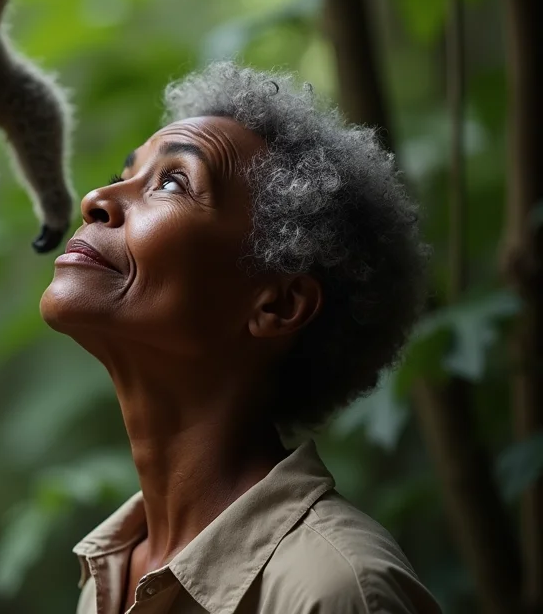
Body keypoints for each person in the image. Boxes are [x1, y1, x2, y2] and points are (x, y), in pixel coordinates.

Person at [40, 62, 441, 614]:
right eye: (124, 172)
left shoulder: (336, 592)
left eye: (173, 181)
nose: (96, 198)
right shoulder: (106, 577)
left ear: (277, 304)